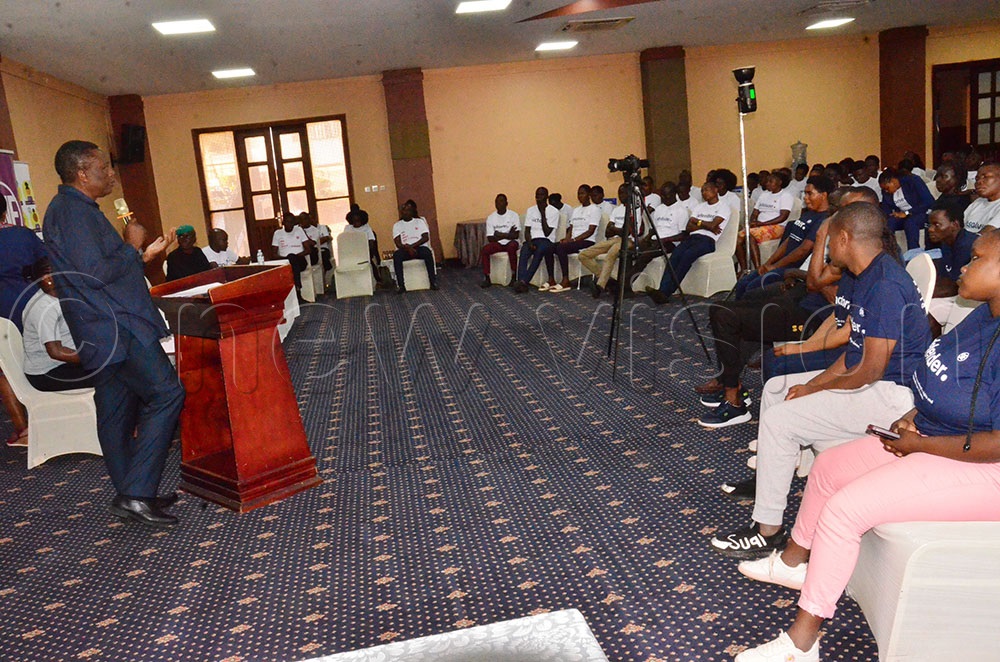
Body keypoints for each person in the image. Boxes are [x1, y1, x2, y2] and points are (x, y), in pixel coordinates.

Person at [733, 230, 1000, 662]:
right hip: (933, 432)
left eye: (977, 259)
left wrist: (921, 446)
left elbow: (997, 444)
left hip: (984, 469)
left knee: (844, 510)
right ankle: (792, 562)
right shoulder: (984, 314)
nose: (964, 267)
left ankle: (801, 644)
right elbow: (943, 381)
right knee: (829, 469)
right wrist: (913, 417)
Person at [710, 202, 931, 558]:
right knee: (776, 389)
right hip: (874, 382)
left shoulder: (886, 285)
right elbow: (854, 353)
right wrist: (813, 385)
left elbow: (870, 369)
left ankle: (767, 531)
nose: (826, 249)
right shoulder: (866, 274)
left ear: (844, 238)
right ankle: (768, 479)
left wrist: (815, 388)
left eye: (829, 241)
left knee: (782, 420)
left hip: (893, 395)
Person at [43, 140, 183, 529]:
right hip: (115, 326)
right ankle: (136, 492)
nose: (111, 174)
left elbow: (99, 269)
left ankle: (133, 494)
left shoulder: (74, 210)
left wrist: (141, 256)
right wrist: (130, 246)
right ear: (82, 173)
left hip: (102, 327)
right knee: (167, 393)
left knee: (116, 412)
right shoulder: (73, 213)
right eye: (103, 168)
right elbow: (95, 274)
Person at [733, 176, 833, 300]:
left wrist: (775, 266)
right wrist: (768, 263)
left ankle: (743, 310)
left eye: (809, 194)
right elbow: (789, 240)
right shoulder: (807, 214)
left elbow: (803, 250)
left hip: (794, 269)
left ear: (823, 195)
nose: (805, 198)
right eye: (805, 193)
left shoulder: (824, 219)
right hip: (783, 263)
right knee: (743, 283)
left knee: (751, 288)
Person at [0, 208, 47, 447]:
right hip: (32, 302)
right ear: (5, 212)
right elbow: (46, 263)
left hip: (2, 312)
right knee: (44, 358)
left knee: (5, 369)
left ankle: (23, 430)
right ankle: (55, 416)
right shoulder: (23, 235)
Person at [645, 180, 730, 304]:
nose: (704, 193)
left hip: (707, 241)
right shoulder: (700, 206)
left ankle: (666, 292)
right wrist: (705, 225)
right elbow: (689, 227)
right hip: (692, 237)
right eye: (702, 191)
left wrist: (698, 222)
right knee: (675, 256)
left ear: (715, 190)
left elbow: (713, 225)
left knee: (687, 256)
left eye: (706, 190)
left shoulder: (723, 207)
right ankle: (662, 291)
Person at [21, 268, 97, 391]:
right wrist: (96, 358)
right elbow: (56, 352)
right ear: (48, 278)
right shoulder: (44, 308)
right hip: (48, 372)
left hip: (68, 362)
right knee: (114, 375)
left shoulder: (64, 295)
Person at [580, 183, 655, 299]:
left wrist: (615, 228)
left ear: (629, 194)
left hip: (630, 241)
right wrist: (618, 230)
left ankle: (600, 286)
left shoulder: (635, 210)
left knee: (611, 254)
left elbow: (629, 232)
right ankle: (608, 280)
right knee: (584, 255)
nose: (621, 195)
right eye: (619, 193)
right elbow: (607, 232)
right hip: (615, 239)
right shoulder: (617, 210)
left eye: (624, 193)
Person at [739, 173, 794, 270]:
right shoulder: (764, 195)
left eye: (771, 181)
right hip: (759, 226)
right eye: (767, 181)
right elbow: (755, 213)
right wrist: (752, 222)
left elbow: (783, 217)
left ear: (779, 182)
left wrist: (762, 224)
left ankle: (757, 268)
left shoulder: (785, 196)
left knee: (749, 236)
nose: (767, 183)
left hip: (777, 226)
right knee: (738, 239)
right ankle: (744, 268)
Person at [551, 184, 600, 292]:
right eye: (578, 194)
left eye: (582, 193)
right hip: (573, 241)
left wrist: (573, 240)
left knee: (561, 248)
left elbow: (590, 231)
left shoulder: (594, 209)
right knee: (550, 247)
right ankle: (551, 279)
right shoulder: (576, 210)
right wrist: (566, 239)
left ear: (589, 195)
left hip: (587, 241)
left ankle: (565, 280)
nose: (580, 196)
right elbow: (571, 228)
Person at [513, 187, 560, 293]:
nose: (539, 198)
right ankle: (521, 281)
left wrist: (543, 213)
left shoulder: (553, 211)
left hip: (546, 240)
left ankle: (524, 282)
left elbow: (547, 232)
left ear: (547, 197)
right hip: (532, 240)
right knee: (524, 252)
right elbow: (527, 231)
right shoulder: (531, 210)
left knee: (539, 252)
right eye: (537, 195)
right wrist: (529, 243)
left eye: (541, 195)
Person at [878, 167, 934, 251]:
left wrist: (907, 213)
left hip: (921, 213)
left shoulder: (913, 181)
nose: (886, 191)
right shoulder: (887, 193)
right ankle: (889, 251)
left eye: (887, 188)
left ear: (893, 181)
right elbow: (886, 209)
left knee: (910, 222)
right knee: (890, 222)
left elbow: (929, 201)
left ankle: (913, 252)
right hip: (902, 216)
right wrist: (890, 216)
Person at [392, 200, 437, 292]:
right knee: (397, 256)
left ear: (412, 212)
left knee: (427, 253)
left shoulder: (420, 222)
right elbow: (398, 243)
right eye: (403, 210)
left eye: (408, 210)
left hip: (419, 247)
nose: (405, 212)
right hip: (405, 249)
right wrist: (408, 248)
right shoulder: (397, 225)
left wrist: (412, 247)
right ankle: (401, 286)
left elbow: (425, 237)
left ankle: (433, 282)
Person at [479, 193, 519, 288]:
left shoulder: (513, 215)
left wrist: (499, 234)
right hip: (498, 244)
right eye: (496, 202)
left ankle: (514, 276)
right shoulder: (491, 218)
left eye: (501, 201)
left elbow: (516, 235)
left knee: (512, 246)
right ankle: (487, 277)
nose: (499, 204)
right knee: (485, 250)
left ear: (506, 203)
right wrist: (508, 234)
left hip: (511, 242)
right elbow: (490, 238)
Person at [271, 212, 315, 298]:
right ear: (283, 223)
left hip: (300, 260)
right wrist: (286, 259)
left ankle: (296, 291)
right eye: (287, 222)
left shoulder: (299, 230)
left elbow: (308, 250)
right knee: (291, 258)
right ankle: (298, 290)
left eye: (292, 222)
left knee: (292, 258)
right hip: (285, 263)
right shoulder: (278, 233)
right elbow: (274, 254)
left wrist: (296, 256)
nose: (290, 224)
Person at [343, 205, 388, 286]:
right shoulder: (347, 228)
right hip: (351, 252)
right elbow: (344, 241)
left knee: (369, 262)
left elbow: (371, 242)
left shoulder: (367, 228)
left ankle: (377, 279)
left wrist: (365, 250)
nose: (356, 220)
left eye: (358, 219)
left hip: (365, 252)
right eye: (354, 219)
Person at [963, 164, 1000, 234]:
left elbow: (983, 236)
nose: (979, 182)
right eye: (977, 179)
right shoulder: (978, 203)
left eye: (986, 177)